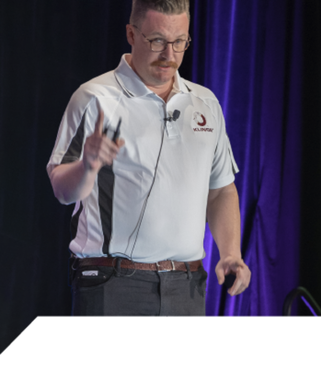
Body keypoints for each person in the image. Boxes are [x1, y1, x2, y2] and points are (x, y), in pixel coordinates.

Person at [47, 0, 251, 317]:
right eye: (157, 40)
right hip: (112, 283)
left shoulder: (205, 103)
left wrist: (230, 253)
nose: (169, 55)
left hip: (186, 286)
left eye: (179, 42)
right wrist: (87, 166)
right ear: (131, 34)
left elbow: (221, 189)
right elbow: (62, 190)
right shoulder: (94, 98)